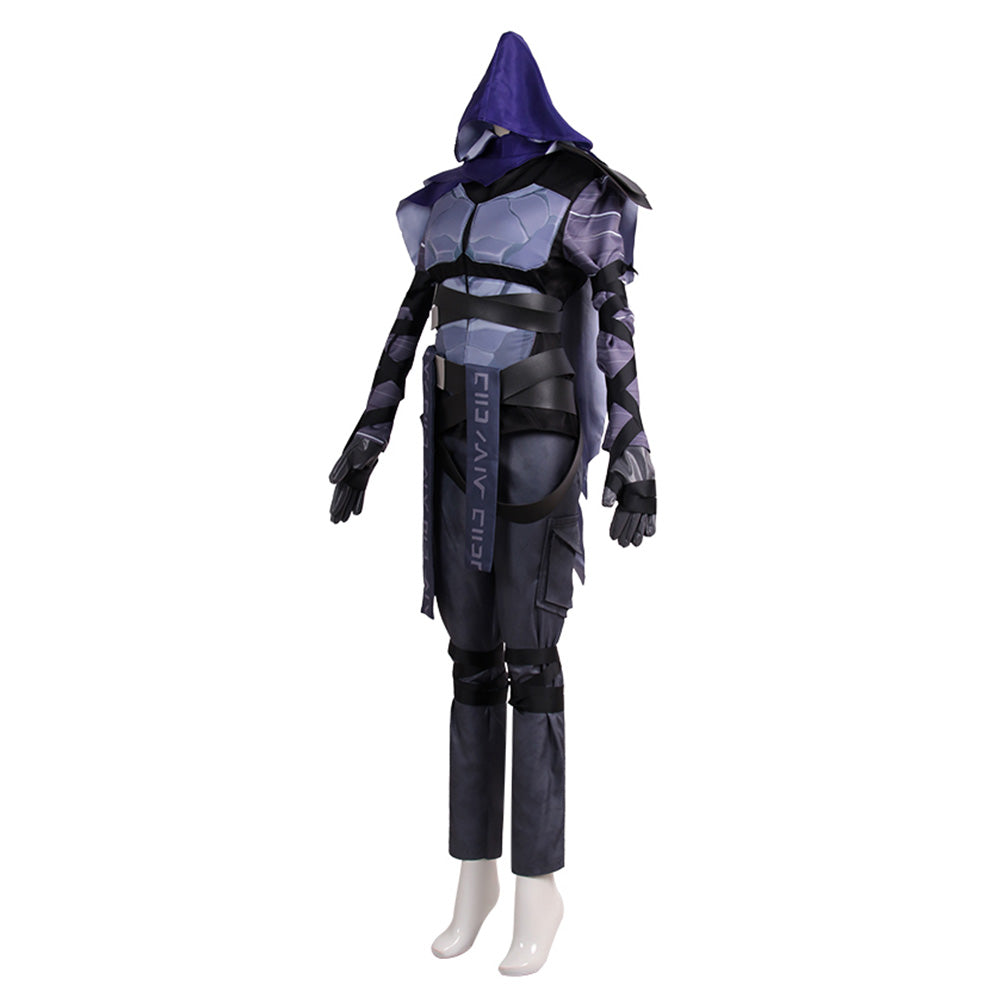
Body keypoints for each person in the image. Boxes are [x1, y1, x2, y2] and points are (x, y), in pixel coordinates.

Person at [328, 31, 656, 976]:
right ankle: (472, 876)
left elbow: (617, 328)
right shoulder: (441, 207)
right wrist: (367, 438)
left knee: (531, 657)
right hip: (450, 447)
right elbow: (409, 324)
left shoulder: (582, 194)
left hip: (535, 444)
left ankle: (538, 887)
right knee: (468, 658)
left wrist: (633, 452)